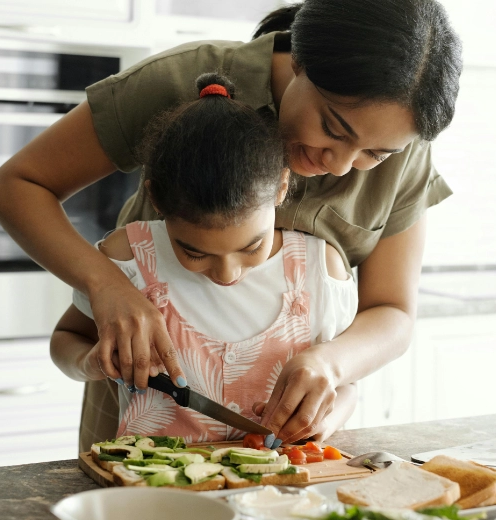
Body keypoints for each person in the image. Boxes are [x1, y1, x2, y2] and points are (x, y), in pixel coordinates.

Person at [0, 0, 462, 451]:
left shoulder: (403, 140)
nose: (340, 166)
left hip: (290, 447)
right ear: (299, 60)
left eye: (375, 155)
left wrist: (331, 366)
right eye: (334, 129)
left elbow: (393, 313)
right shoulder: (181, 80)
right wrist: (106, 285)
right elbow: (17, 186)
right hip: (143, 427)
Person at [50, 73, 359, 446]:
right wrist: (94, 363)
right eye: (194, 252)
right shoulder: (128, 258)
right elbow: (65, 340)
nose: (226, 273)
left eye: (250, 247)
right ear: (158, 201)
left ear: (281, 186)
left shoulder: (320, 270)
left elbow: (348, 387)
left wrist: (324, 423)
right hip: (156, 498)